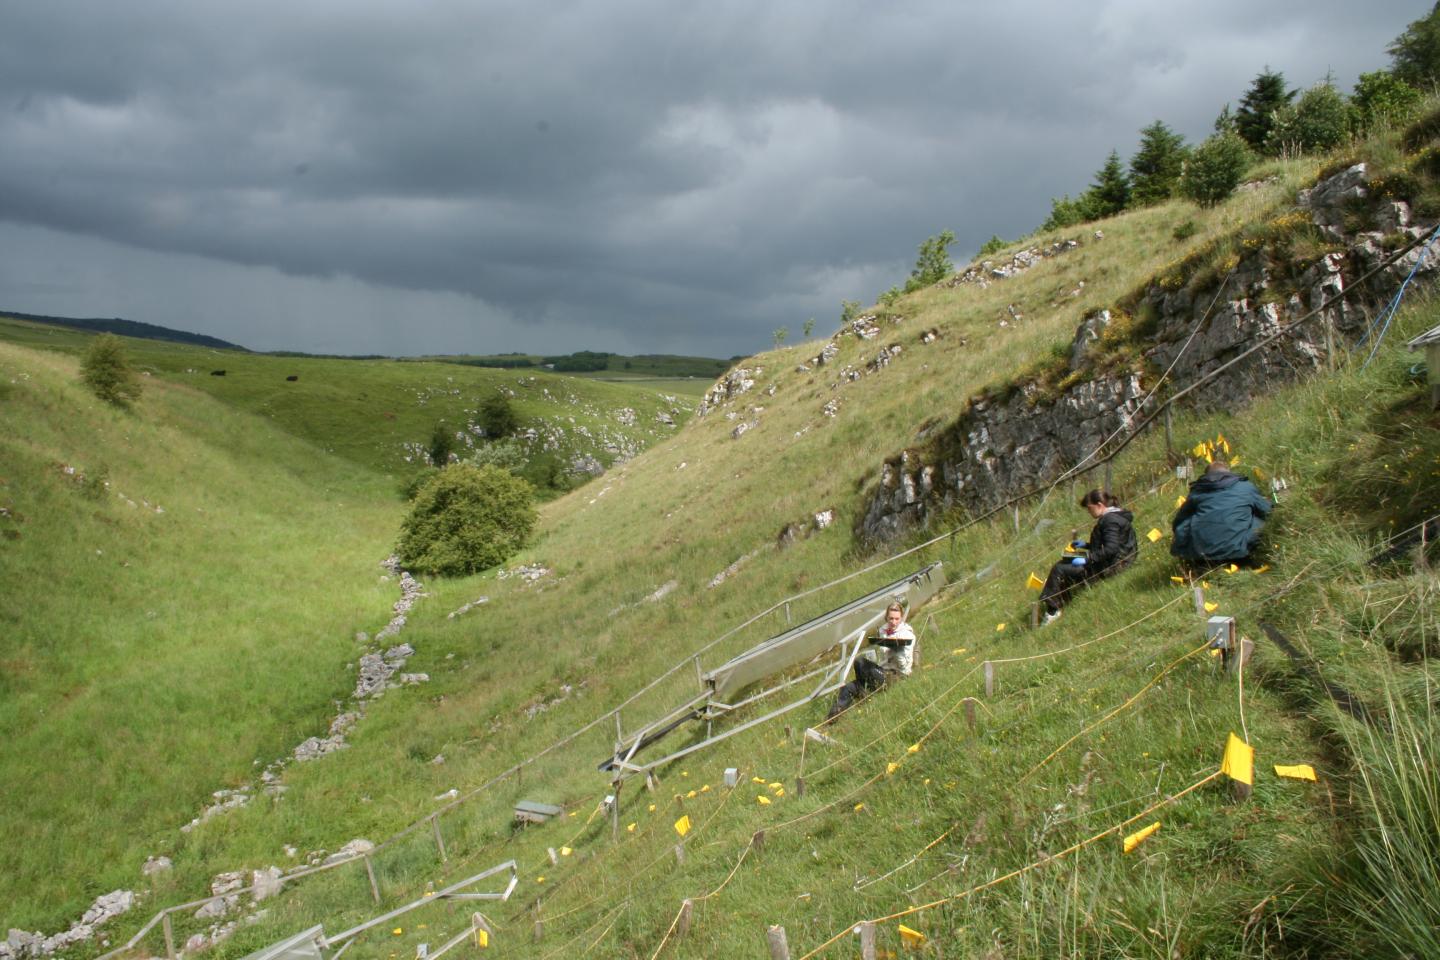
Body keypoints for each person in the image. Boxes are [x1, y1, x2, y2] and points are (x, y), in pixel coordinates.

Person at [1041, 489, 1137, 625]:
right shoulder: (1115, 516)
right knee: (1066, 561)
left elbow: (1111, 548)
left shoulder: (1110, 521)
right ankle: (1060, 602)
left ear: (1099, 505)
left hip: (1114, 566)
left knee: (1059, 569)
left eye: (1089, 508)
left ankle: (1053, 610)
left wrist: (1087, 558)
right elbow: (1108, 545)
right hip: (1118, 560)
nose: (1089, 512)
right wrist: (1085, 545)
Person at [1171, 460, 1273, 567]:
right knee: (1259, 519)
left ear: (1206, 475)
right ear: (1228, 472)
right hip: (1238, 552)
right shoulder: (1245, 487)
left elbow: (1178, 523)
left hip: (1201, 555)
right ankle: (1256, 556)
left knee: (1186, 523)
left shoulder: (1197, 491)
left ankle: (1190, 564)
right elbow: (1268, 511)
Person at [826, 602, 915, 719]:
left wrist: (896, 649)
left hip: (896, 676)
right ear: (886, 618)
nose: (894, 622)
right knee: (848, 686)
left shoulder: (907, 635)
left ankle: (864, 692)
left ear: (901, 618)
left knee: (861, 662)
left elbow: (904, 666)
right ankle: (832, 718)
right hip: (881, 671)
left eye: (897, 619)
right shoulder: (883, 631)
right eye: (891, 618)